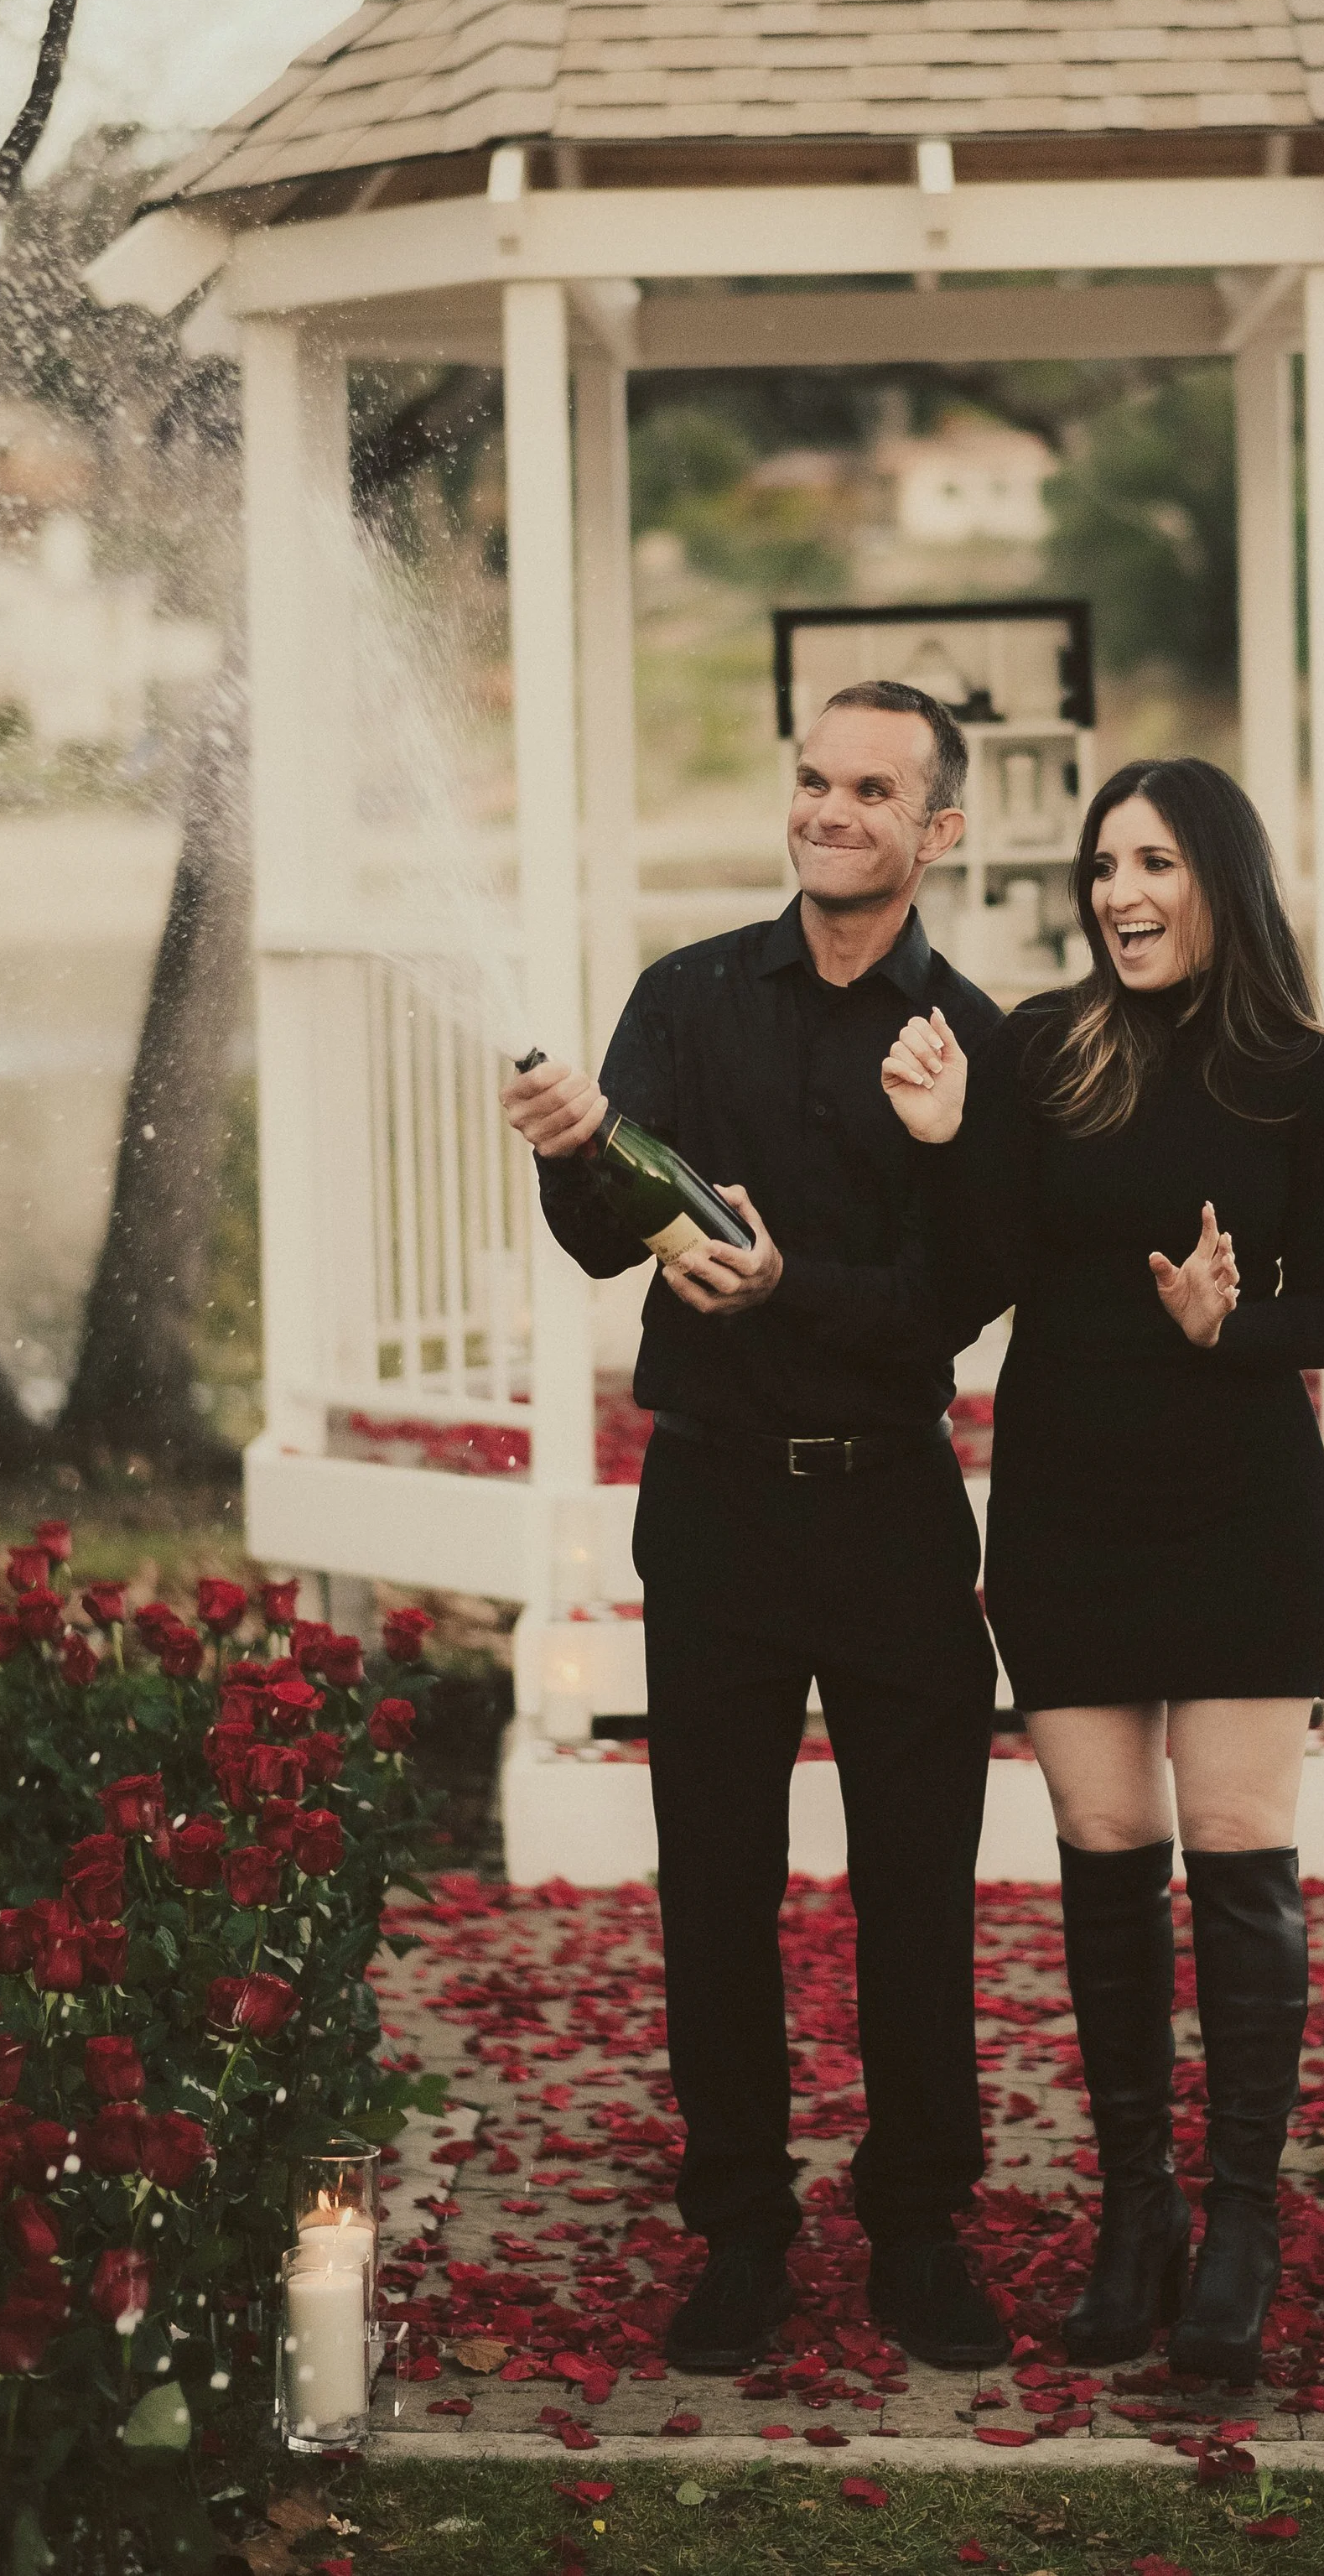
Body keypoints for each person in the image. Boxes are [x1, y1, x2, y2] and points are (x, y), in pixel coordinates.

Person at [501, 681, 1010, 2377]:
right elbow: (604, 1235)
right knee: (713, 1886)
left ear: (939, 831)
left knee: (916, 1887)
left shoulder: (971, 1043)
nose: (828, 810)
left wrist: (795, 1283)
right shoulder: (686, 996)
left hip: (892, 1507)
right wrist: (577, 1156)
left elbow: (957, 1294)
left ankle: (917, 2229)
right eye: (811, 778)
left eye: (872, 789)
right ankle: (739, 2233)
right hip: (712, 1500)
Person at [880, 757, 1324, 2385]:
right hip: (1067, 1508)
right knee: (1103, 1848)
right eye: (1103, 865)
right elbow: (988, 1263)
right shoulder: (1045, 1050)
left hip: (1240, 1509)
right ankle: (1136, 2212)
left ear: (1220, 880)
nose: (1120, 893)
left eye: (1154, 862)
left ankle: (1239, 2225)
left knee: (1237, 1852)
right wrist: (945, 1140)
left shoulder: (1306, 1079)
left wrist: (1232, 1321)